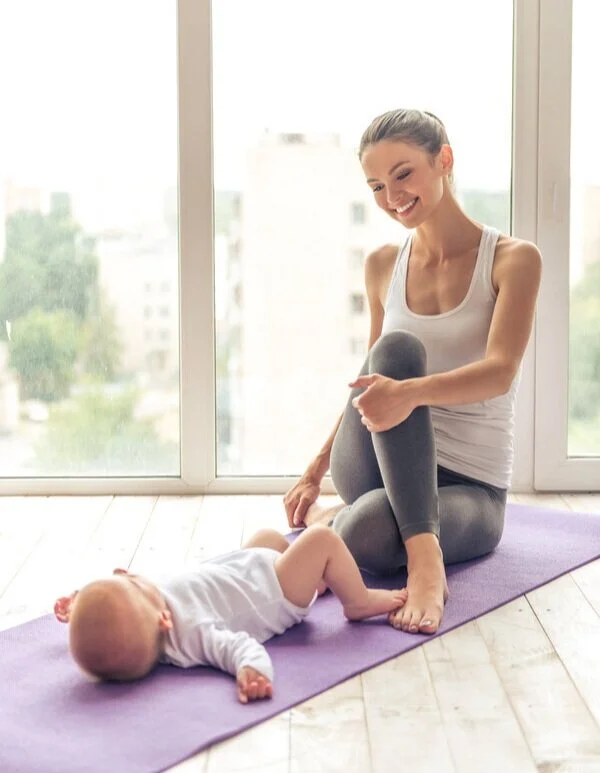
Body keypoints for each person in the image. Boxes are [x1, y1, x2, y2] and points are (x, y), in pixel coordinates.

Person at [283, 108, 542, 638]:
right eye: (377, 185)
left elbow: (499, 372)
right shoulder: (382, 265)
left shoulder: (513, 260)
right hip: (378, 460)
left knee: (371, 529)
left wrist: (409, 394)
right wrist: (316, 467)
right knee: (395, 349)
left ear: (443, 160)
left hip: (470, 484)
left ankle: (354, 523)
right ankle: (427, 561)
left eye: (403, 174)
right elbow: (373, 381)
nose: (391, 196)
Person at [54, 525, 407, 704]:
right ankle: (356, 600)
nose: (124, 573)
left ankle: (321, 579)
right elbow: (237, 647)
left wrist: (81, 606)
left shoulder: (149, 615)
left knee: (267, 536)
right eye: (132, 584)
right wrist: (251, 671)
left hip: (248, 570)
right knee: (321, 538)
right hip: (276, 591)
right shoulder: (193, 633)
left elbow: (109, 618)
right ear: (164, 619)